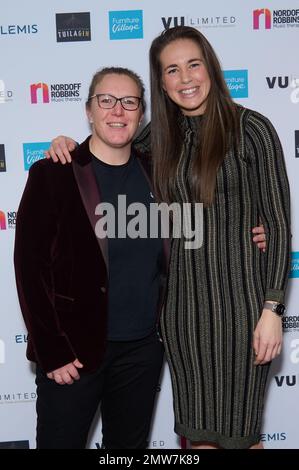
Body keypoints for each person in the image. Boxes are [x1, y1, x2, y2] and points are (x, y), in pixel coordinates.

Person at [45, 28, 278, 449]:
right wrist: (66, 145)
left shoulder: (253, 129)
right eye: (172, 69)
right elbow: (107, 145)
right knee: (198, 437)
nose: (185, 77)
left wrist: (273, 308)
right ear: (162, 82)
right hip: (180, 318)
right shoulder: (159, 139)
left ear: (210, 67)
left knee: (241, 437)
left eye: (193, 64)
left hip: (241, 311)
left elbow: (277, 224)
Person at [14, 67, 166, 449]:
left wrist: (254, 234)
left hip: (141, 351)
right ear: (89, 110)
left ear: (141, 113)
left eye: (129, 101)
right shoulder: (54, 173)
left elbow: (198, 227)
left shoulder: (159, 174)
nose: (118, 110)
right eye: (107, 100)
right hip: (73, 354)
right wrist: (53, 352)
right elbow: (31, 269)